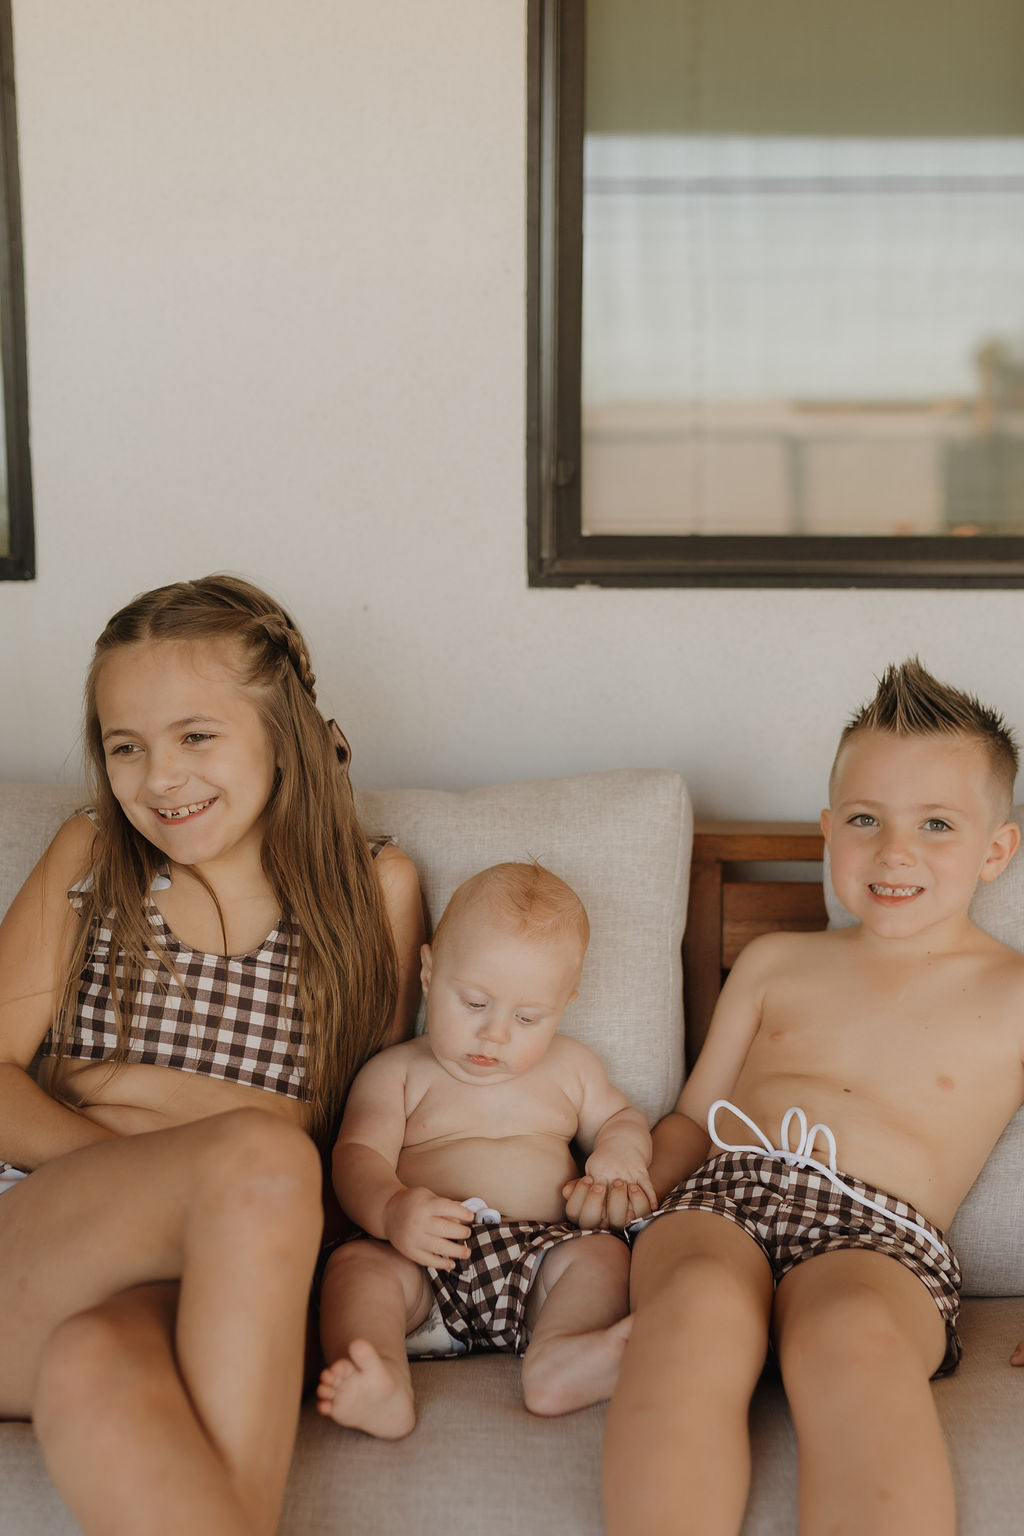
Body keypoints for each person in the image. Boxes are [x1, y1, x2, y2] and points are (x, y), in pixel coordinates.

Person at [0, 574, 424, 1536]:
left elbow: (363, 1126)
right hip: (39, 1241)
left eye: (196, 736)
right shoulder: (92, 858)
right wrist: (169, 1165)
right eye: (126, 747)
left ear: (283, 735)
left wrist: (152, 1110)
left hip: (209, 1278)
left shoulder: (374, 891)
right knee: (262, 1153)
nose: (160, 778)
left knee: (96, 1373)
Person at [598, 659, 1024, 1536]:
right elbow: (690, 1118)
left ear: (996, 849)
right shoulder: (777, 963)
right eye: (865, 820)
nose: (894, 851)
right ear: (830, 831)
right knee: (694, 1312)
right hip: (725, 1198)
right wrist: (630, 1176)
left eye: (936, 824)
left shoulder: (1016, 994)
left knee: (856, 1338)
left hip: (884, 1237)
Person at [316, 861, 656, 1439]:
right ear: (428, 972)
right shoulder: (397, 1072)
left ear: (565, 1003)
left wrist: (621, 1151)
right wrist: (393, 1210)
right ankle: (382, 1380)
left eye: (528, 1017)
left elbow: (621, 1117)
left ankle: (560, 1358)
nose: (494, 1034)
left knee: (603, 1258)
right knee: (356, 1270)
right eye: (474, 1003)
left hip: (540, 1261)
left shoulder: (572, 1068)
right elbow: (357, 1155)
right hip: (423, 1260)